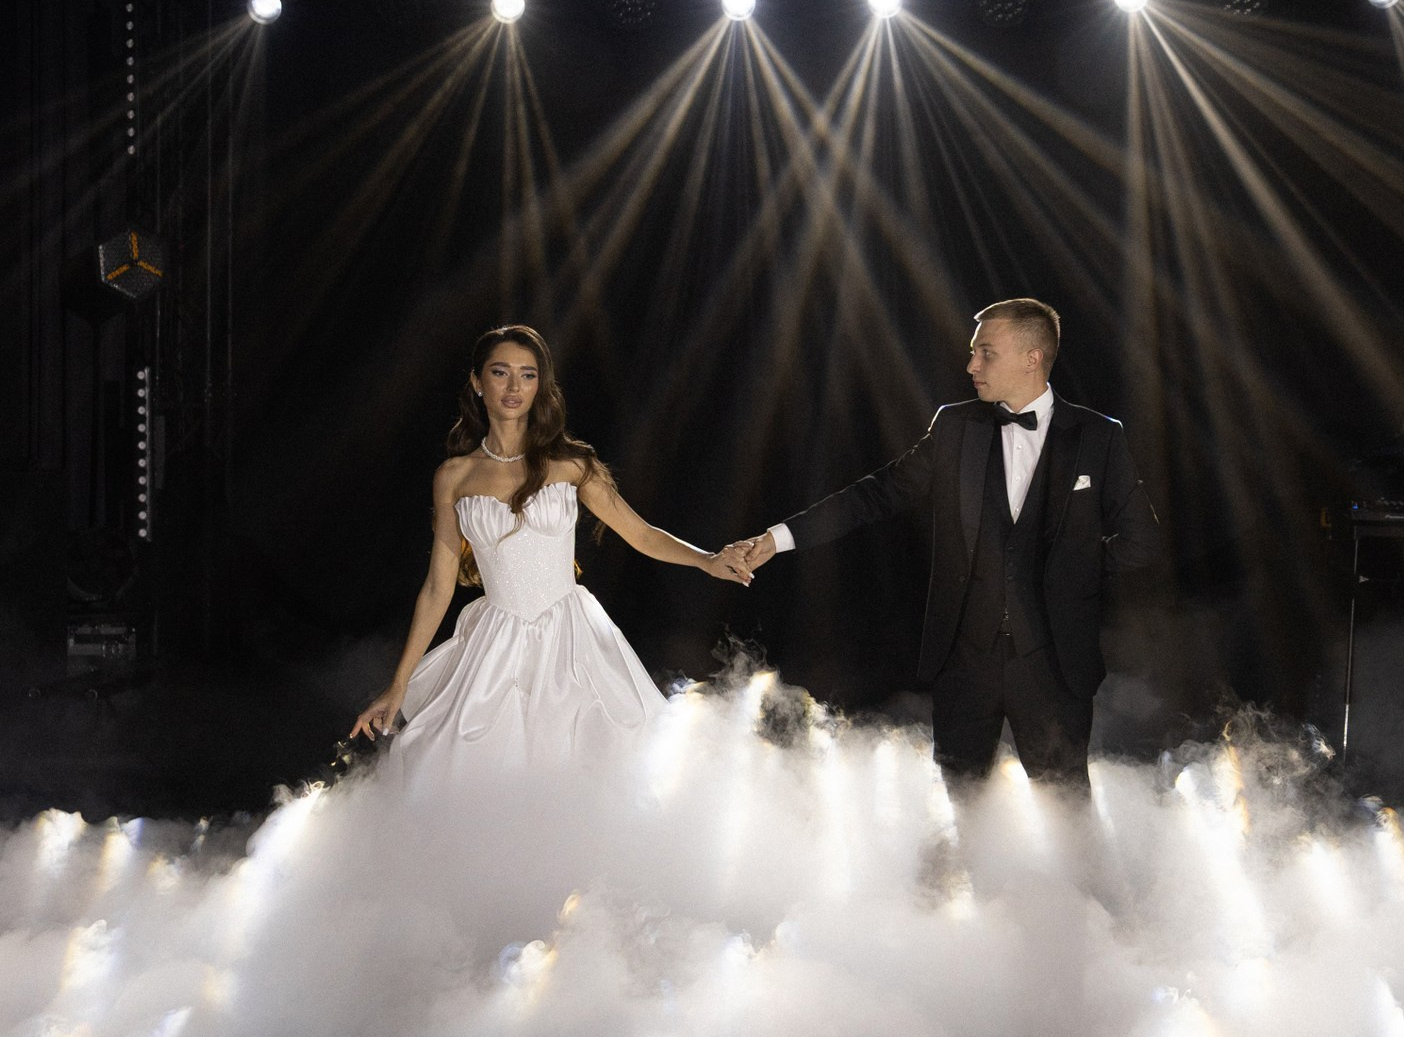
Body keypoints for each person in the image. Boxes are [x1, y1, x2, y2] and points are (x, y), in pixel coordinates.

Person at [732, 298, 1160, 790]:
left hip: (1056, 665)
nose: (971, 365)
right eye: (973, 353)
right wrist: (778, 538)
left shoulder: (1099, 436)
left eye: (985, 353)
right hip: (963, 662)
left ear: (1032, 358)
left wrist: (1071, 570)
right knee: (962, 806)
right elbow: (877, 493)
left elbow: (1141, 540)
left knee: (1066, 810)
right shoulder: (955, 426)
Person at [353, 324, 752, 774]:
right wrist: (398, 685)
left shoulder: (572, 464)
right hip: (495, 647)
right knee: (474, 766)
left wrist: (706, 560)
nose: (514, 386)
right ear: (477, 382)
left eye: (527, 375)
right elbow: (436, 588)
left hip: (573, 638)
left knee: (590, 762)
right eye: (500, 372)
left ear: (540, 385)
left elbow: (641, 535)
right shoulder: (454, 476)